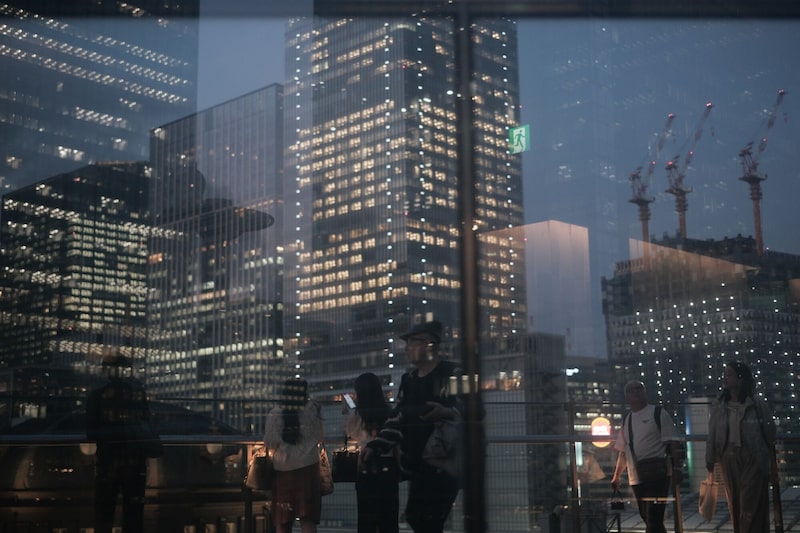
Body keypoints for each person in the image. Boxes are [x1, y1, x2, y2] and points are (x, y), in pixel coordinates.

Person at [365, 319, 462, 533]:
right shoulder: (408, 379)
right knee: (418, 519)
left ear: (429, 345)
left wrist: (446, 412)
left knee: (425, 519)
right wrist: (377, 445)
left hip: (442, 463)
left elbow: (473, 409)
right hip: (418, 463)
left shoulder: (452, 373)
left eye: (413, 343)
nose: (407, 348)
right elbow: (398, 417)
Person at [86, 351, 159, 533]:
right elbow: (146, 422)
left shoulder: (97, 396)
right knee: (134, 515)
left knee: (104, 514)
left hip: (108, 463)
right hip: (135, 463)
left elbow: (91, 432)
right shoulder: (137, 395)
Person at [706, 361, 776, 533]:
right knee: (735, 501)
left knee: (749, 501)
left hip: (753, 456)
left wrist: (770, 463)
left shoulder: (756, 404)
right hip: (728, 457)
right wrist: (710, 459)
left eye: (729, 374)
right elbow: (712, 432)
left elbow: (769, 432)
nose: (725, 378)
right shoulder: (720, 405)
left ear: (741, 378)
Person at [610, 380, 682, 533]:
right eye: (631, 390)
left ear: (644, 392)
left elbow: (673, 443)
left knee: (652, 517)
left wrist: (676, 468)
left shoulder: (658, 413)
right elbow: (624, 451)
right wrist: (616, 476)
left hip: (659, 474)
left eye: (638, 388)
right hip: (637, 475)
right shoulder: (627, 420)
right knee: (649, 517)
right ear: (627, 396)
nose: (635, 391)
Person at [264, 378, 324, 533]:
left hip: (284, 471)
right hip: (309, 469)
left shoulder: (275, 414)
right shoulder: (313, 412)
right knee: (308, 518)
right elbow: (319, 436)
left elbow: (270, 442)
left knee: (283, 520)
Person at [345, 372, 400, 533]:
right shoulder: (389, 413)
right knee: (389, 519)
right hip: (388, 469)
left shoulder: (356, 415)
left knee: (366, 520)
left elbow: (350, 435)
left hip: (365, 467)